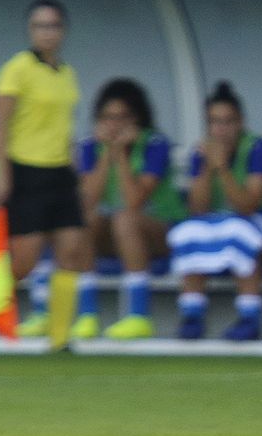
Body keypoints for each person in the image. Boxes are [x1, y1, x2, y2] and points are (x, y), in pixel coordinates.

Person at [0, 0, 94, 350]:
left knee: (71, 251)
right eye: (40, 26)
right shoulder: (17, 70)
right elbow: (1, 126)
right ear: (31, 31)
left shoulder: (67, 74)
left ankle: (60, 338)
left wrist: (75, 169)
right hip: (26, 170)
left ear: (63, 31)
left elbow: (66, 127)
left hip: (60, 172)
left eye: (53, 26)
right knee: (23, 262)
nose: (47, 33)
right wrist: (2, 175)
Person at [168, 81, 262, 341]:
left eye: (228, 122)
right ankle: (192, 314)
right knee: (189, 231)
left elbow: (249, 205)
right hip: (226, 222)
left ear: (241, 122)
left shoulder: (258, 148)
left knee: (242, 232)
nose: (222, 130)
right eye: (215, 122)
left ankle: (250, 317)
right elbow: (197, 207)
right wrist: (208, 168)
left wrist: (223, 169)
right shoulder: (202, 153)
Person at [77, 78, 186, 339]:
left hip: (160, 231)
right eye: (108, 117)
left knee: (125, 218)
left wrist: (122, 155)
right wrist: (107, 154)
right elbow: (88, 199)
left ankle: (138, 315)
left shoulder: (155, 144)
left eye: (122, 117)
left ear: (137, 118)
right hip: (115, 232)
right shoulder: (90, 147)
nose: (114, 125)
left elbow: (134, 201)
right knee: (83, 220)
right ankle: (87, 315)